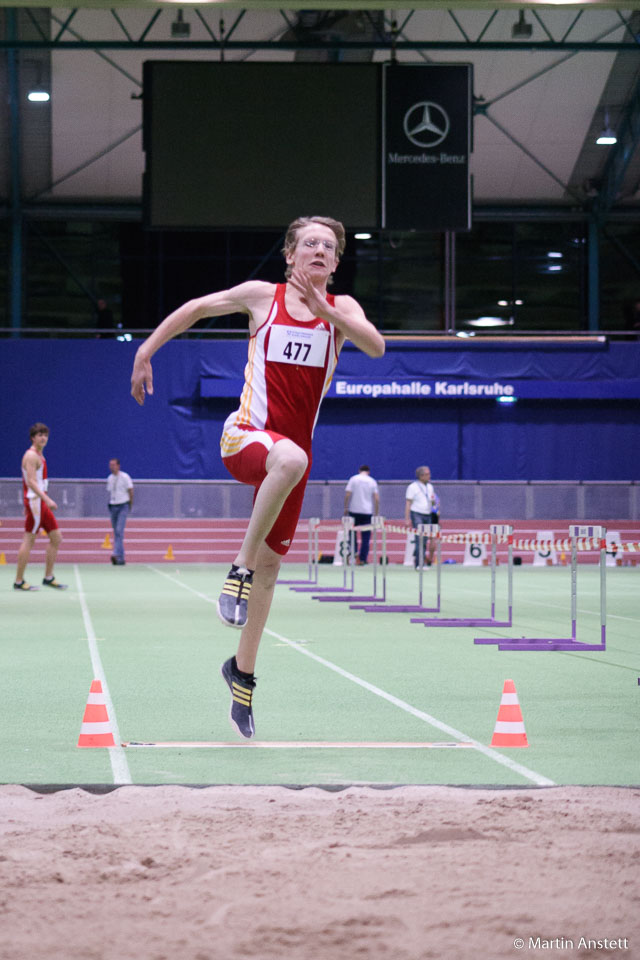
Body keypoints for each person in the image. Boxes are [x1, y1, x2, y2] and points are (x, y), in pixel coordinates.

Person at [130, 215, 385, 739]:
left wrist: (324, 311)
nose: (319, 251)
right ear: (290, 256)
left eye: (329, 247)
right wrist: (145, 349)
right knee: (287, 462)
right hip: (246, 436)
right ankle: (236, 570)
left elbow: (377, 346)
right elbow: (197, 308)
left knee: (273, 571)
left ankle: (241, 675)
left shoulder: (342, 312)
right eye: (309, 243)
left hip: (292, 462)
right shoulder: (260, 297)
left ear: (335, 263)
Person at [14, 423, 67, 591]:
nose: (43, 437)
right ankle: (19, 581)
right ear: (32, 438)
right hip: (37, 502)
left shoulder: (39, 455)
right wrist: (47, 499)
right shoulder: (31, 456)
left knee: (56, 538)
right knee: (29, 539)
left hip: (39, 503)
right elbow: (31, 481)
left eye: (45, 434)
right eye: (39, 435)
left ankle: (48, 577)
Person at [404, 465, 439, 569]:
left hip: (428, 514)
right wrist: (407, 518)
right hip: (417, 514)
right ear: (421, 476)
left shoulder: (430, 487)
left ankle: (420, 559)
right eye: (427, 474)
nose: (430, 476)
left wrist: (435, 509)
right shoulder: (412, 487)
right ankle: (419, 563)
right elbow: (408, 503)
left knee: (425, 539)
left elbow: (433, 501)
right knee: (420, 538)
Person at [343, 465, 379, 565]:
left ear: (359, 471)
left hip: (354, 510)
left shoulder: (353, 479)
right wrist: (376, 513)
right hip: (367, 512)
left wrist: (346, 507)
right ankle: (363, 558)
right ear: (368, 472)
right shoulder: (372, 481)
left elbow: (347, 494)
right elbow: (376, 498)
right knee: (366, 537)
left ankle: (353, 554)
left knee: (352, 534)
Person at [107, 458, 134, 565]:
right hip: (113, 505)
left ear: (118, 465)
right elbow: (110, 492)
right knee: (117, 533)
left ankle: (116, 553)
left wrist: (130, 504)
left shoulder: (125, 477)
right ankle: (121, 559)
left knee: (119, 530)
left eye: (113, 465)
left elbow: (130, 490)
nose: (111, 467)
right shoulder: (110, 478)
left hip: (123, 505)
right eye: (110, 465)